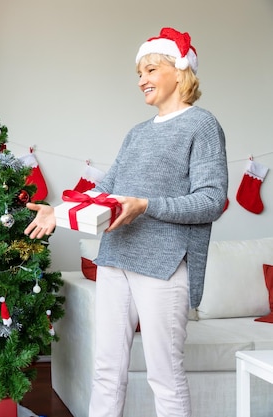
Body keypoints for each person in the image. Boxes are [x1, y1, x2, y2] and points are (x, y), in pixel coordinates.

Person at [24, 27, 228, 417]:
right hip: (116, 259)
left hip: (165, 264)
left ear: (179, 70)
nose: (142, 81)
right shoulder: (137, 133)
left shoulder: (202, 126)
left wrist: (145, 205)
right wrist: (58, 212)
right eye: (139, 73)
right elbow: (105, 189)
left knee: (164, 378)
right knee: (107, 371)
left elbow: (211, 201)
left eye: (151, 70)